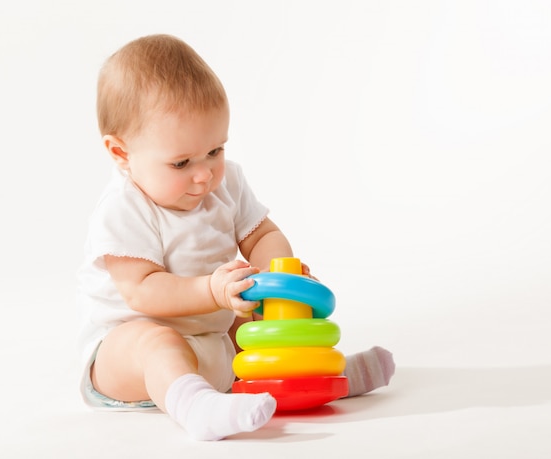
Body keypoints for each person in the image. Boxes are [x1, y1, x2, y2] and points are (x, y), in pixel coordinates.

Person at [76, 34, 394, 442]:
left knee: (260, 329)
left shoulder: (226, 185)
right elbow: (142, 292)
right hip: (126, 360)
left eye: (215, 151)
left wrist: (275, 278)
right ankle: (195, 406)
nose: (204, 174)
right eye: (181, 162)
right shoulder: (123, 208)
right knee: (153, 340)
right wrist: (213, 289)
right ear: (120, 153)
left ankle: (327, 376)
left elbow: (262, 234)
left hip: (215, 337)